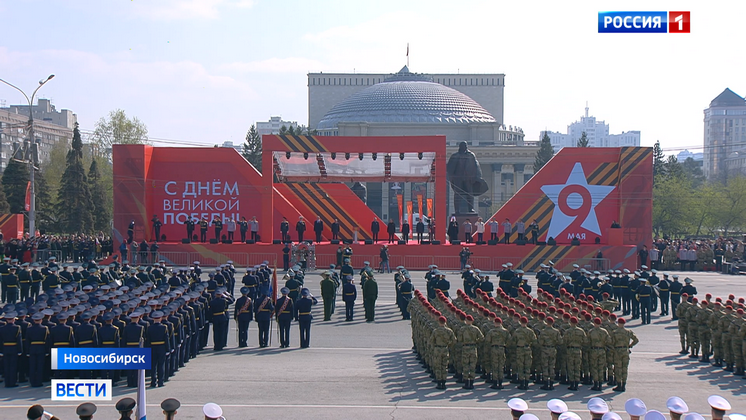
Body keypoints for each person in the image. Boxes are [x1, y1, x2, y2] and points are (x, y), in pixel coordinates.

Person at [446, 141, 488, 213]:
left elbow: (476, 166)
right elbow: (449, 168)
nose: (464, 147)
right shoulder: (455, 156)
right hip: (458, 178)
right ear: (460, 147)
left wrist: (478, 176)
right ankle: (457, 210)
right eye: (462, 146)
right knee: (457, 194)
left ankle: (470, 208)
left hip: (468, 178)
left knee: (470, 193)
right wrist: (451, 178)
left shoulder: (471, 155)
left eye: (465, 146)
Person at [610, 317, 638, 392]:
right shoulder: (628, 332)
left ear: (618, 323)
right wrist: (630, 345)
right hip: (625, 350)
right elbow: (636, 340)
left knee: (618, 368)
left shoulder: (615, 332)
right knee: (624, 368)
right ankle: (623, 385)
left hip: (617, 351)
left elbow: (611, 343)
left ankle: (619, 384)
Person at [458, 314, 484, 389]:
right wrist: (475, 341)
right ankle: (472, 382)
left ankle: (466, 382)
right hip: (473, 348)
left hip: (465, 347)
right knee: (472, 366)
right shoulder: (476, 329)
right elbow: (482, 338)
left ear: (466, 320)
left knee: (465, 365)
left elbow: (459, 339)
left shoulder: (462, 329)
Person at [1, 311, 22, 387]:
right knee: (13, 366)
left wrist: (1, 350)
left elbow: (0, 341)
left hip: (5, 348)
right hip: (14, 348)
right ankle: (12, 382)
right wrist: (20, 351)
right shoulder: (17, 328)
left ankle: (7, 383)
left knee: (6, 366)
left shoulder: (2, 328)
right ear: (13, 319)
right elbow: (18, 340)